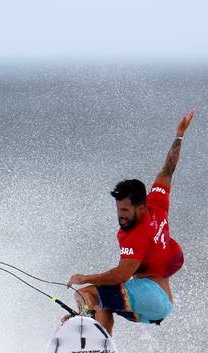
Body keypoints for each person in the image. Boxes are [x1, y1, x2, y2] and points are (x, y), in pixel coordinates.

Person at [66, 110, 194, 335]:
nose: (120, 215)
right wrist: (179, 135)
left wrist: (84, 277)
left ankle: (89, 338)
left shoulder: (137, 235)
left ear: (140, 207)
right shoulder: (157, 203)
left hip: (153, 296)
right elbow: (168, 169)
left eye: (125, 210)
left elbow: (120, 276)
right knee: (99, 304)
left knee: (85, 294)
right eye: (117, 209)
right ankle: (99, 345)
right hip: (156, 306)